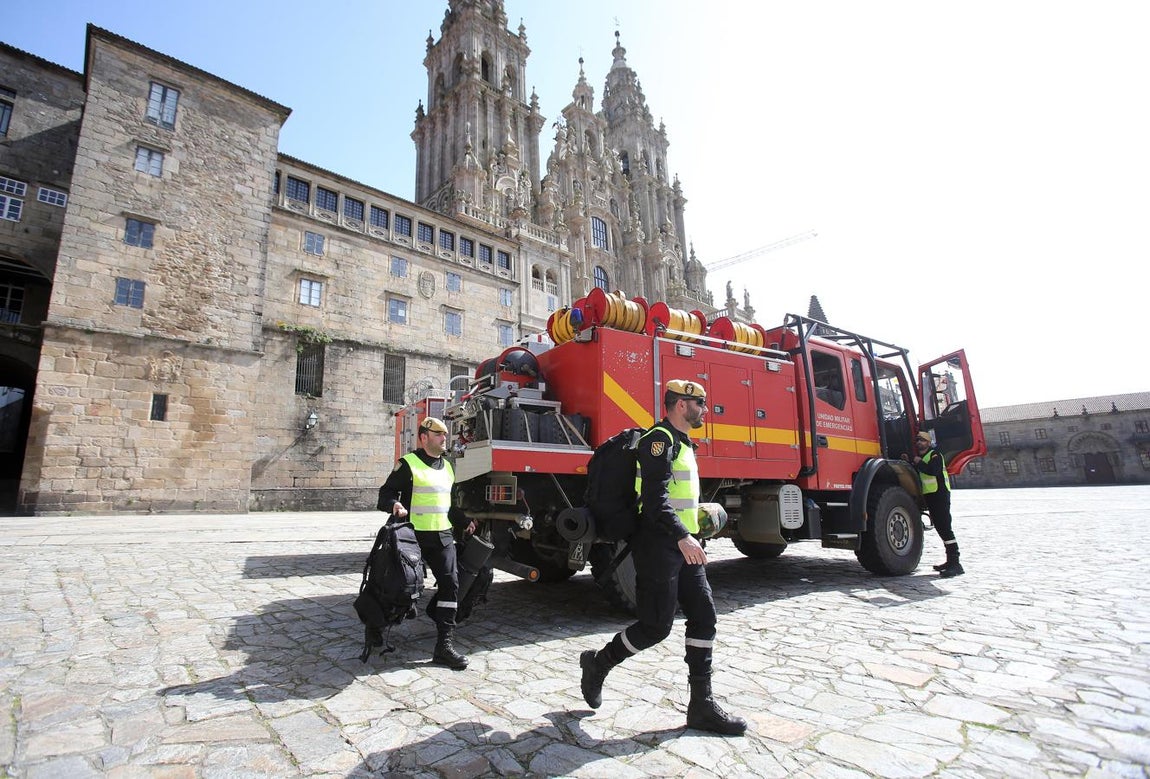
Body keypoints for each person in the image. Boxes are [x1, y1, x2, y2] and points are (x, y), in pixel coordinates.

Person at [579, 380, 747, 735]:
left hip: (684, 545)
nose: (705, 409)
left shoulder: (684, 444)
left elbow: (678, 499)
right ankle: (598, 663)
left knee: (704, 616)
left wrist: (695, 524)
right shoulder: (659, 441)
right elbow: (653, 502)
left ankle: (701, 706)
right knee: (655, 627)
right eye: (699, 403)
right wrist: (683, 536)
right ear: (680, 405)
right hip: (659, 545)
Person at [377, 416, 471, 669]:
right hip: (412, 537)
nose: (444, 438)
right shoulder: (408, 464)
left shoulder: (448, 467)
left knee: (451, 585)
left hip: (442, 536)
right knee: (397, 586)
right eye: (438, 434)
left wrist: (464, 521)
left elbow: (449, 504)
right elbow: (385, 494)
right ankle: (375, 626)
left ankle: (444, 647)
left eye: (445, 434)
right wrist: (394, 505)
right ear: (423, 438)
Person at [913, 430, 964, 578]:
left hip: (940, 494)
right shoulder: (923, 457)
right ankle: (950, 561)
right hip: (931, 495)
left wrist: (918, 462)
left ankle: (956, 563)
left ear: (929, 443)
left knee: (945, 528)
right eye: (918, 440)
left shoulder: (934, 455)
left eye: (923, 440)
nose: (919, 443)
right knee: (941, 528)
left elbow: (932, 471)